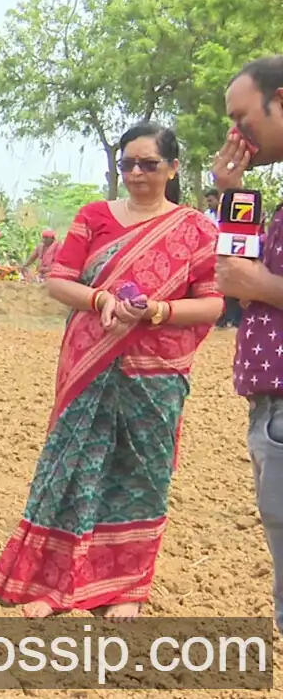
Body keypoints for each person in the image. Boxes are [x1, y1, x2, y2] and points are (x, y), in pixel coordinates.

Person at [0, 122, 222, 621]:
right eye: (127, 164)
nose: (136, 173)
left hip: (155, 369)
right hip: (90, 361)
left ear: (173, 168)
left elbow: (211, 304)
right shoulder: (94, 217)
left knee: (142, 474)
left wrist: (157, 312)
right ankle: (57, 584)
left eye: (149, 164)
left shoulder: (195, 229)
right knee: (75, 468)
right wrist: (102, 299)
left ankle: (128, 587)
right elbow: (59, 281)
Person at [211, 55, 283, 634]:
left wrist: (263, 286)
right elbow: (238, 269)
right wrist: (233, 192)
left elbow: (249, 278)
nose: (237, 134)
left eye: (243, 117)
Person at [205, 188, 244, 328]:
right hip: (214, 254)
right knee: (220, 287)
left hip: (232, 252)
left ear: (218, 199)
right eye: (207, 201)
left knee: (235, 287)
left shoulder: (227, 213)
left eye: (211, 200)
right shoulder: (206, 216)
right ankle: (222, 320)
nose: (209, 204)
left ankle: (236, 320)